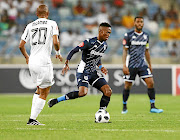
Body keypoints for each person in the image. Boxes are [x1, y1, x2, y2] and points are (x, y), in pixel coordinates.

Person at [48, 23, 112, 122]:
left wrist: (101, 67)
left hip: (93, 72)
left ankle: (101, 113)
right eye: (107, 32)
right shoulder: (89, 42)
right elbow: (73, 50)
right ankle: (56, 100)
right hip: (83, 70)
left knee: (108, 91)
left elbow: (97, 58)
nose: (108, 34)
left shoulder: (105, 46)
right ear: (100, 31)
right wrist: (67, 62)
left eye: (110, 33)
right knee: (83, 93)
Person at [19, 4, 63, 125]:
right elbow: (56, 41)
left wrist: (27, 57)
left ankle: (32, 119)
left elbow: (21, 45)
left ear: (37, 14)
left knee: (39, 89)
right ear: (47, 14)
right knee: (45, 91)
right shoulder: (52, 23)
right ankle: (32, 119)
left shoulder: (30, 25)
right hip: (44, 62)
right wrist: (58, 53)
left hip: (32, 61)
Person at [121, 16, 163, 114]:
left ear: (143, 24)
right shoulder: (128, 35)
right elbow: (125, 51)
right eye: (138, 22)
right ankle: (124, 106)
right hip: (131, 64)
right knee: (127, 86)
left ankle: (153, 106)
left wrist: (150, 64)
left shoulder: (146, 36)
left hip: (142, 64)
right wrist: (124, 65)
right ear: (134, 23)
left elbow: (146, 51)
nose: (140, 23)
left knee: (151, 82)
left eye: (141, 22)